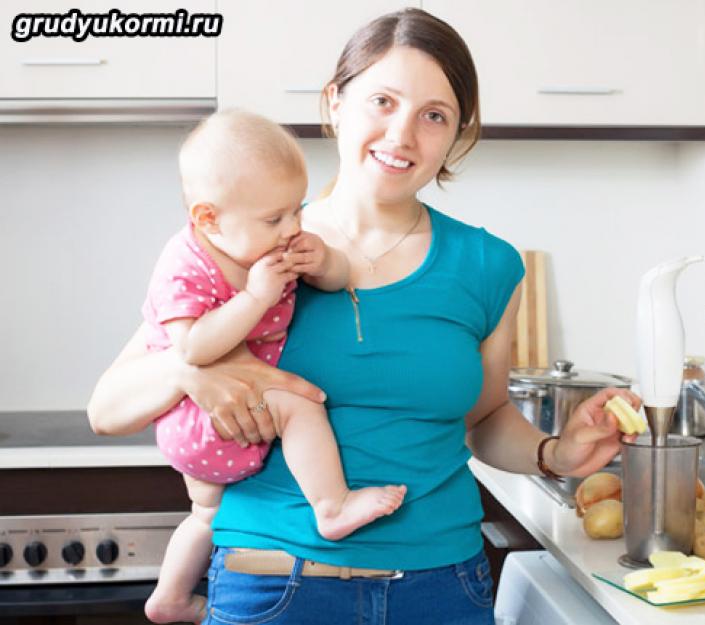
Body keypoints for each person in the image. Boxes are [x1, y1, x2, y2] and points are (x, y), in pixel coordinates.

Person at [88, 8, 641, 625]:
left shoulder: (489, 266)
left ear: (456, 134)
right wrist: (192, 372)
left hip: (443, 590)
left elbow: (483, 419)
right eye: (383, 100)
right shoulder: (243, 248)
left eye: (434, 115)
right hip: (271, 590)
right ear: (335, 102)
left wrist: (556, 454)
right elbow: (106, 409)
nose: (401, 135)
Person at [136, 110, 405, 625]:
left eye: (296, 212)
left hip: (217, 424)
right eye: (274, 220)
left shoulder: (264, 244)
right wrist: (257, 296)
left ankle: (168, 598)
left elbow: (337, 278)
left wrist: (323, 261)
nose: (291, 230)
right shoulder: (185, 262)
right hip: (203, 418)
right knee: (300, 405)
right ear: (208, 218)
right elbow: (190, 348)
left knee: (205, 515)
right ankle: (333, 506)